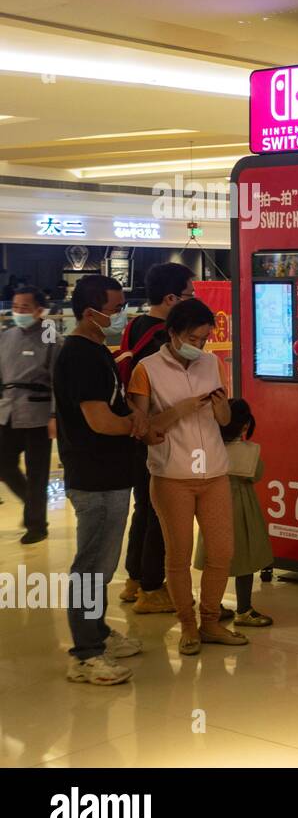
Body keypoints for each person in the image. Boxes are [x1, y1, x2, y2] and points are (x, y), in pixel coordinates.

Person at [128, 298, 243, 656]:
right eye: (195, 338)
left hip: (214, 471)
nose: (202, 345)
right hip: (172, 474)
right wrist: (179, 410)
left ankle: (211, 621)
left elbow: (224, 422)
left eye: (206, 338)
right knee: (178, 555)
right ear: (173, 333)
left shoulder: (213, 363)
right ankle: (188, 626)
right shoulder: (146, 369)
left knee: (222, 552)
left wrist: (222, 408)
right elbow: (141, 428)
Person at [55, 275, 147, 685]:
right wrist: (137, 426)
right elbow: (100, 419)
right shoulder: (79, 355)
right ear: (91, 310)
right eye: (115, 307)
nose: (120, 314)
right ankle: (84, 654)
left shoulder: (99, 350)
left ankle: (98, 632)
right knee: (91, 567)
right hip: (91, 475)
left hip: (111, 473)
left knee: (104, 564)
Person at [118, 262, 194, 614]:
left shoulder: (135, 326)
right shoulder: (164, 338)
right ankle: (151, 587)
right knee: (160, 511)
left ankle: (134, 580)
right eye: (189, 296)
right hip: (156, 433)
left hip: (133, 434)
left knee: (144, 507)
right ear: (170, 298)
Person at [194, 398, 273, 626]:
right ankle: (244, 609)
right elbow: (256, 474)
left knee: (214, 559)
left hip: (212, 506)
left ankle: (213, 606)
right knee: (244, 560)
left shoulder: (208, 448)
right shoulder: (249, 452)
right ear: (245, 425)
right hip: (241, 507)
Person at [0, 286, 60, 544]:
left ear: (39, 310)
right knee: (3, 464)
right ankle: (31, 502)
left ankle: (37, 524)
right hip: (8, 411)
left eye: (24, 308)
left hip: (38, 412)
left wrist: (55, 415)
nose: (19, 312)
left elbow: (59, 379)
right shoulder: (6, 335)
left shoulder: (49, 335)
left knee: (38, 472)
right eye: (15, 307)